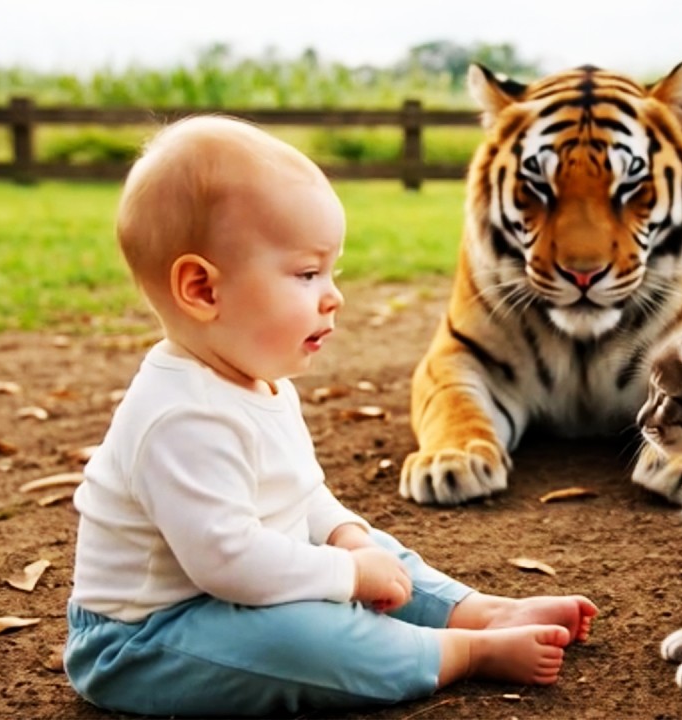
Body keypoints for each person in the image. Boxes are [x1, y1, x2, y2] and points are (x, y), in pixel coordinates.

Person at [64, 115, 597, 717]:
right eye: (306, 273)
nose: (333, 295)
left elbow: (301, 497)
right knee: (298, 640)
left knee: (378, 550)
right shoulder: (181, 418)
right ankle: (460, 652)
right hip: (146, 640)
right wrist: (348, 575)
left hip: (234, 596)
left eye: (331, 272)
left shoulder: (259, 381)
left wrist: (346, 536)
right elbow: (228, 562)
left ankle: (479, 612)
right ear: (204, 290)